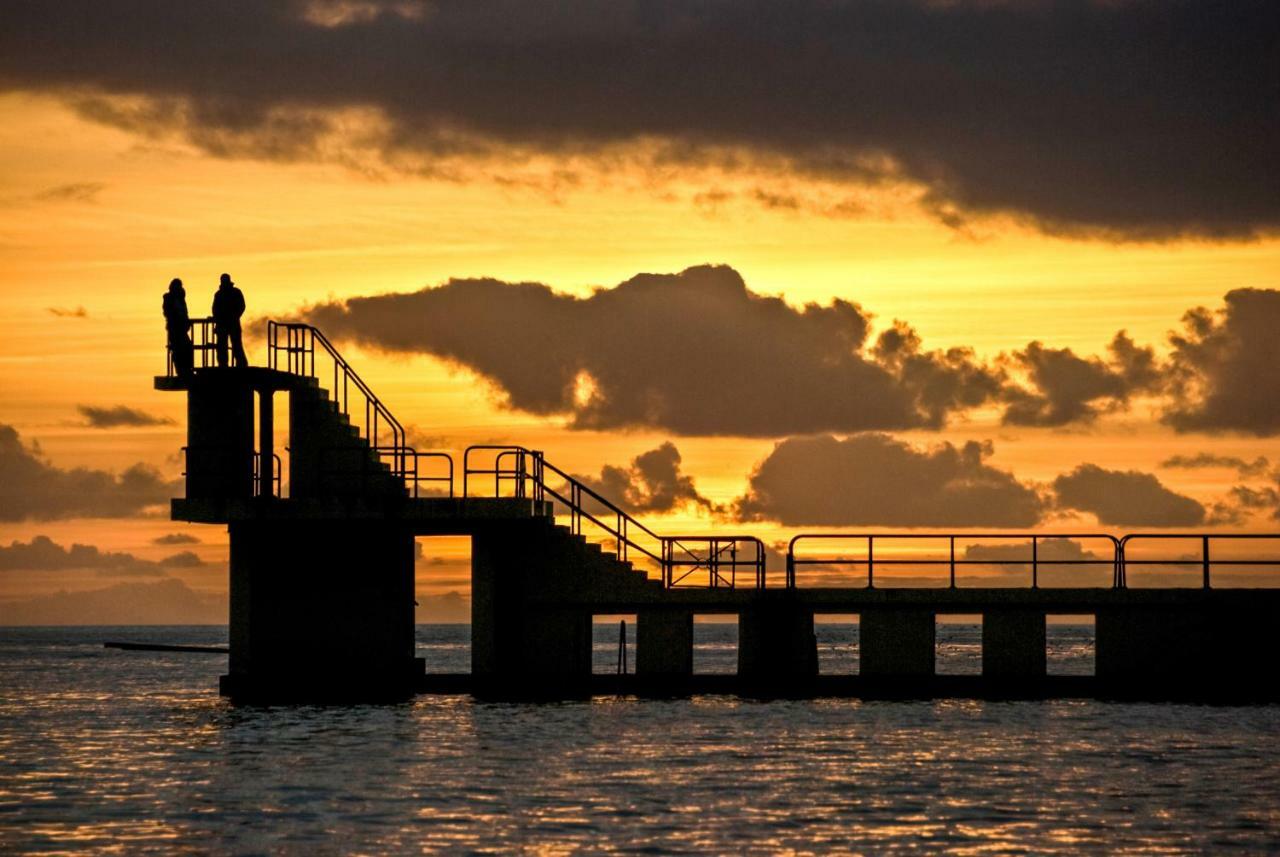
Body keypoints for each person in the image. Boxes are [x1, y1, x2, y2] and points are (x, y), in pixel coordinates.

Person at [212, 272, 248, 368]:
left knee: (235, 345)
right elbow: (215, 309)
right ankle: (226, 365)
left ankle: (240, 364)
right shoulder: (220, 294)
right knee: (223, 346)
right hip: (226, 324)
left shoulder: (231, 293)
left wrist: (234, 316)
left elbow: (241, 306)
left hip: (230, 323)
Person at [162, 278, 194, 377]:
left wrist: (186, 322)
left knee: (187, 348)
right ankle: (181, 371)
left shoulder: (181, 299)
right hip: (174, 329)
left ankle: (187, 369)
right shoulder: (168, 298)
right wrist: (178, 320)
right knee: (177, 350)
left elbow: (184, 312)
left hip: (182, 329)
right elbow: (168, 313)